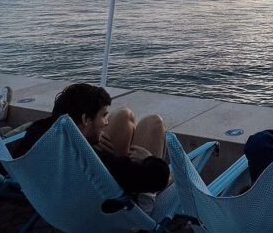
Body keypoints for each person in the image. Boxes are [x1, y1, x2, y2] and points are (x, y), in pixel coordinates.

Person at [13, 83, 170, 197]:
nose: (106, 122)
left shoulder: (37, 136)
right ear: (86, 119)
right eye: (103, 115)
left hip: (56, 200)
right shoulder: (93, 162)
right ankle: (147, 200)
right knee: (154, 122)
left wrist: (86, 138)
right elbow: (156, 178)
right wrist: (149, 159)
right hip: (111, 208)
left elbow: (55, 121)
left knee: (124, 115)